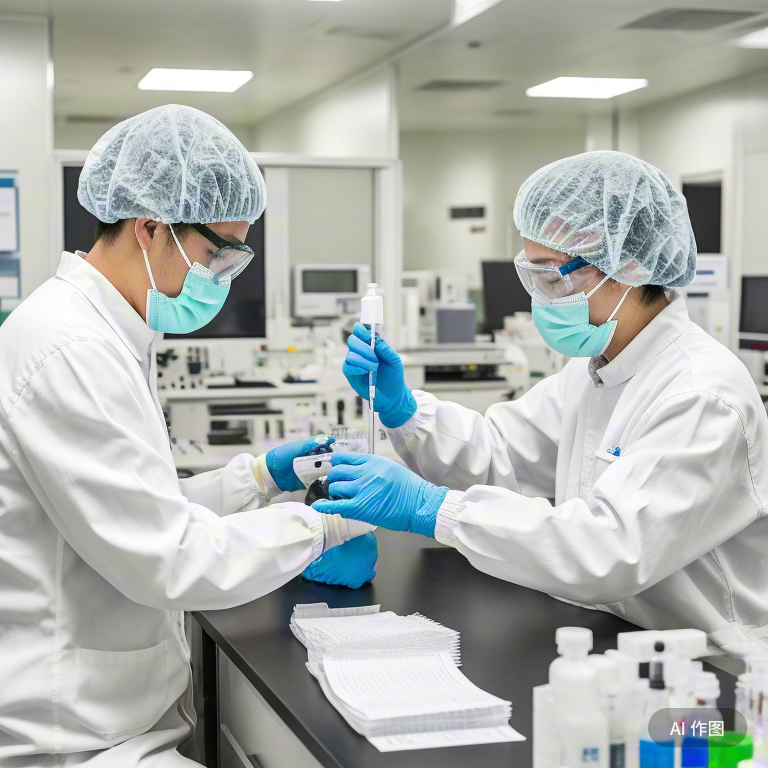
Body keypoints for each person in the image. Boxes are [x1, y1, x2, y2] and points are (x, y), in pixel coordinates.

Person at [0, 105, 376, 767]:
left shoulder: (105, 330)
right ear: (149, 228)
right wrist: (327, 523)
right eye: (215, 254)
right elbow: (170, 557)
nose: (221, 278)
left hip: (112, 714)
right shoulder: (70, 348)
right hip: (75, 737)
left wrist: (257, 478)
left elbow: (137, 504)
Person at [317, 150, 768, 660]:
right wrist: (405, 411)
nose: (542, 299)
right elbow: (501, 453)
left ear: (630, 266)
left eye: (554, 279)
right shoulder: (597, 367)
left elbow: (610, 550)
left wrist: (433, 508)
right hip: (610, 639)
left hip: (710, 668)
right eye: (533, 277)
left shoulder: (701, 395)